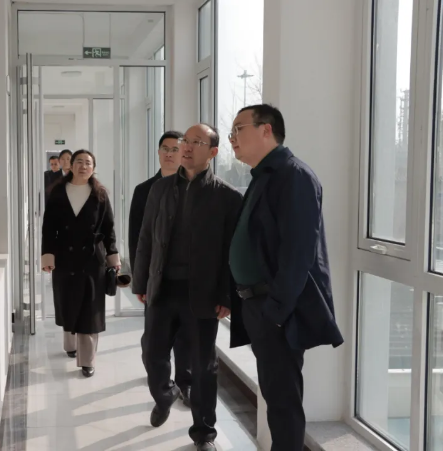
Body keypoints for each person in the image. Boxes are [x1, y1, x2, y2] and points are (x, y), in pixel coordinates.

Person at [227, 104, 344, 450]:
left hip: (276, 309)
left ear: (266, 130)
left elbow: (299, 253)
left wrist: (276, 313)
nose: (233, 138)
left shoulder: (294, 176)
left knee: (283, 402)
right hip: (258, 304)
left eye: (239, 129)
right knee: (274, 395)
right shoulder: (264, 176)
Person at [132, 124, 242, 451]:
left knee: (204, 366)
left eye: (197, 142)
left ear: (213, 152)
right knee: (152, 353)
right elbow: (146, 238)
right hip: (162, 288)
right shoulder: (160, 189)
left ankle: (204, 434)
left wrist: (226, 296)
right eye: (185, 141)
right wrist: (141, 281)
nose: (187, 147)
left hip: (203, 294)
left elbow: (231, 252)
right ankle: (164, 395)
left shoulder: (227, 197)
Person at [41, 150, 121, 378]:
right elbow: (49, 227)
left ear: (93, 168)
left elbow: (109, 229)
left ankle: (87, 360)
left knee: (90, 309)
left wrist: (113, 258)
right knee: (67, 302)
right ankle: (70, 344)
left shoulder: (100, 194)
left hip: (92, 259)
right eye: (79, 162)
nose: (83, 166)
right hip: (64, 257)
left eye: (88, 163)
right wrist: (47, 255)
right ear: (71, 165)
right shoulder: (58, 192)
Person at [128, 130, 192, 407]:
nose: (169, 153)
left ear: (183, 153)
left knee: (185, 337)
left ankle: (185, 384)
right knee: (154, 338)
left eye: (175, 149)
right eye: (165, 148)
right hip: (156, 277)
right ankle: (161, 384)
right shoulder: (144, 190)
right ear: (158, 152)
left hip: (186, 277)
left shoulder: (193, 188)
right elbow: (136, 238)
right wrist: (139, 280)